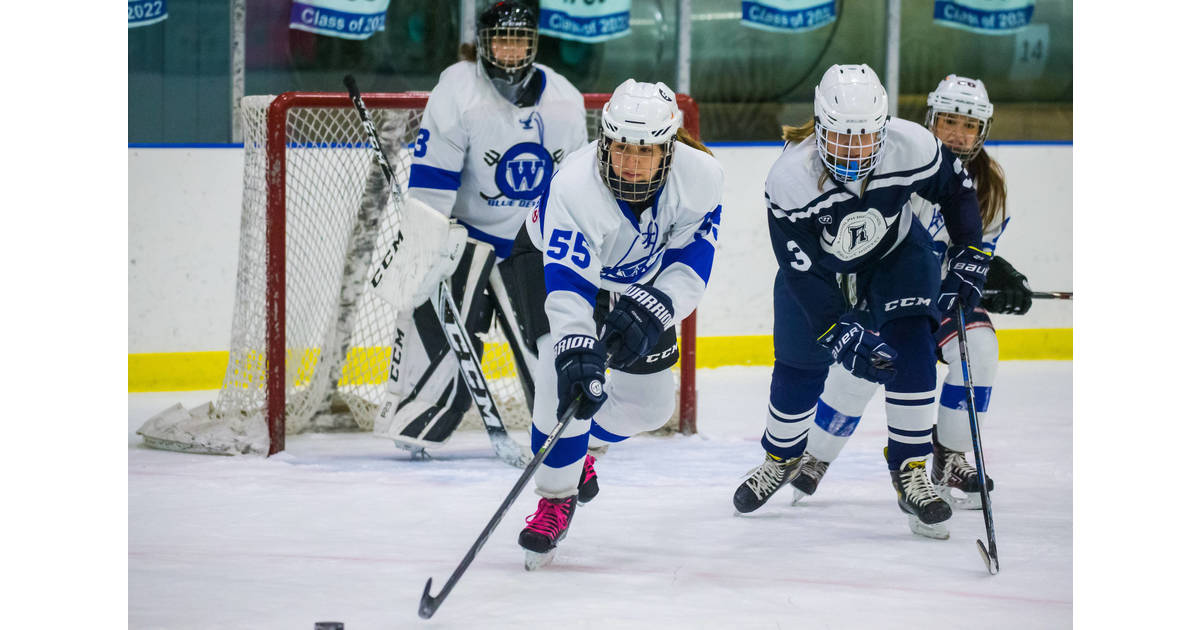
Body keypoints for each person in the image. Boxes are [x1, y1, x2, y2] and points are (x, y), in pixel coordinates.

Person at [731, 64, 989, 540]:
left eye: (867, 137)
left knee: (912, 338)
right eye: (843, 139)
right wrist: (836, 329)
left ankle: (910, 470)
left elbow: (956, 190)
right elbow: (800, 271)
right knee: (798, 364)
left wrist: (972, 251)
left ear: (884, 127)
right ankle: (779, 457)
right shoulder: (790, 179)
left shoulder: (911, 145)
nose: (855, 151)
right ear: (820, 128)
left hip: (894, 255)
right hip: (817, 271)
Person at [791, 75, 1034, 513]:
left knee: (980, 350)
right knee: (865, 368)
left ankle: (950, 456)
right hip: (888, 291)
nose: (958, 134)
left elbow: (975, 254)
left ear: (984, 131)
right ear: (930, 121)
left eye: (970, 125)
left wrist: (991, 277)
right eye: (948, 121)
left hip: (942, 298)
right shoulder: (904, 163)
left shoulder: (991, 188)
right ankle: (816, 455)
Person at [515, 79, 724, 569]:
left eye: (646, 151)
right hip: (547, 263)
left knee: (650, 407)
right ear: (605, 142)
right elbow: (569, 287)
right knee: (561, 382)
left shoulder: (703, 178)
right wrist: (573, 343)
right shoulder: (573, 185)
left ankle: (580, 446)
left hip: (637, 283)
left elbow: (691, 264)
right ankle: (555, 498)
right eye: (621, 148)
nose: (631, 161)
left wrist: (660, 305)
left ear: (669, 150)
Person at [374, 1, 588, 449]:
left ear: (534, 44)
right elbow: (433, 182)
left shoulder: (564, 99)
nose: (510, 50)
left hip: (533, 239)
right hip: (466, 237)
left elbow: (575, 187)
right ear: (484, 44)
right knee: (434, 323)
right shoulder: (458, 90)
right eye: (501, 39)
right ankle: (420, 417)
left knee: (550, 339)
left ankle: (572, 423)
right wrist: (425, 244)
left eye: (520, 40)